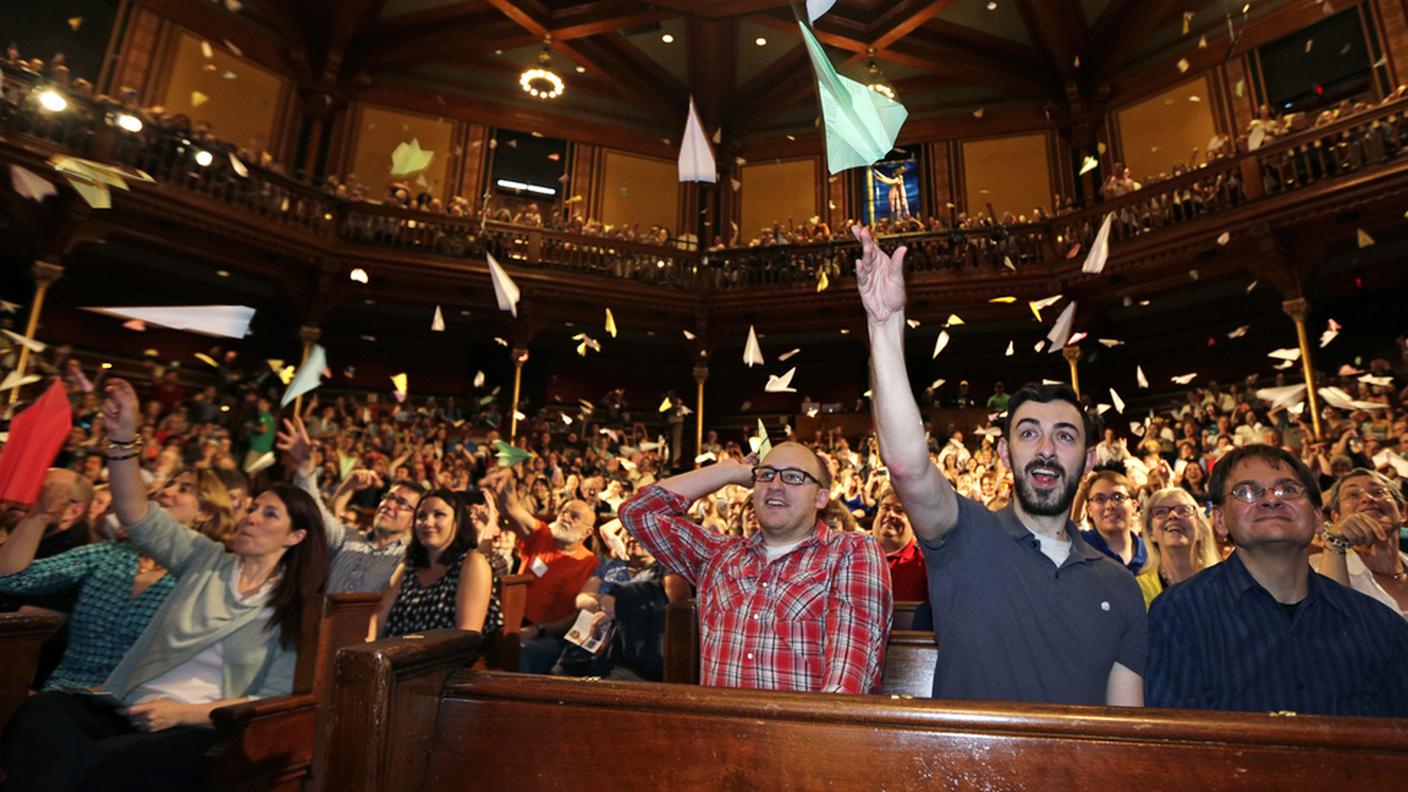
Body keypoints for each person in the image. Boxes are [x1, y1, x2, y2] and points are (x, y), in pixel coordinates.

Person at [854, 224, 1145, 706]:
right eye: (1029, 433)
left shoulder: (1120, 584)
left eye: (1065, 436)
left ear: (1089, 459)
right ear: (1005, 453)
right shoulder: (964, 537)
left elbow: (1125, 731)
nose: (1046, 449)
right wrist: (885, 326)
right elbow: (906, 466)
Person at [0, 379, 330, 792]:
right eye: (251, 509)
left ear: (295, 537)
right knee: (42, 714)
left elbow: (270, 698)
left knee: (110, 766)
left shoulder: (292, 605)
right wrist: (123, 440)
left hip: (198, 724)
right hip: (128, 703)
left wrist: (182, 714)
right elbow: (136, 512)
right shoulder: (207, 559)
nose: (251, 518)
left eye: (269, 515)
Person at [1146, 445, 1408, 716]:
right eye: (1247, 492)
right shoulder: (1179, 613)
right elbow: (1180, 745)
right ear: (1220, 521)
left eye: (1288, 490)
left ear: (1319, 518)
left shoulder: (1378, 624)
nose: (1271, 499)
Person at [618, 442, 891, 694]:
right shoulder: (718, 554)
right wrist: (728, 471)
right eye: (766, 475)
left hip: (800, 739)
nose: (775, 485)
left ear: (820, 498)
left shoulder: (850, 551)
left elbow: (848, 679)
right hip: (719, 737)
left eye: (794, 477)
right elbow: (637, 512)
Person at [0, 468, 235, 690]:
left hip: (141, 705)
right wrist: (40, 515)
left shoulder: (206, 576)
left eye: (184, 489)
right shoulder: (109, 555)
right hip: (66, 692)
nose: (166, 491)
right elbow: (12, 578)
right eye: (168, 484)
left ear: (205, 512)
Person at [279, 417, 425, 593]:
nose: (389, 504)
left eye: (401, 503)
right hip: (321, 618)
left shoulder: (412, 557)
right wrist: (305, 472)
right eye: (389, 497)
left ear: (414, 520)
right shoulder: (347, 538)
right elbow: (316, 517)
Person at [482, 469, 599, 673]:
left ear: (587, 532)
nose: (565, 518)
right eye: (564, 512)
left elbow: (580, 615)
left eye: (575, 517)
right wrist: (508, 477)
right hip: (510, 621)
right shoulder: (542, 535)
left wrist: (536, 630)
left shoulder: (591, 563)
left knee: (524, 650)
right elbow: (511, 508)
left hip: (550, 634)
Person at [369, 488, 500, 638]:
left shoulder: (473, 563)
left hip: (443, 658)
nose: (427, 523)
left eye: (439, 514)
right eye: (421, 516)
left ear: (457, 522)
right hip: (392, 655)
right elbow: (378, 620)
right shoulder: (408, 567)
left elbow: (466, 636)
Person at [1316, 468, 1408, 619]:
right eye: (1352, 495)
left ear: (1402, 512)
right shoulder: (1330, 573)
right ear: (1337, 518)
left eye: (1378, 492)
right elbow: (1328, 625)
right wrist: (1335, 542)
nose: (1367, 498)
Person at [1135, 488, 1222, 608]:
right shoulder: (1138, 590)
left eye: (1183, 510)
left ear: (1201, 530)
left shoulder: (1223, 584)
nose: (1173, 515)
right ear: (1151, 533)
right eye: (1161, 512)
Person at [1078, 470, 1147, 575]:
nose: (1109, 506)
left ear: (1134, 506)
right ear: (1089, 510)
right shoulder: (1077, 547)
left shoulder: (1151, 554)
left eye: (1118, 497)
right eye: (1100, 499)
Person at [872, 485, 928, 602]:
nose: (891, 514)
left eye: (899, 510)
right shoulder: (853, 554)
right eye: (885, 508)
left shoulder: (924, 564)